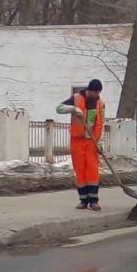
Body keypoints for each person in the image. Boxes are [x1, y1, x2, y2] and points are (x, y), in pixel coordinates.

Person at [57, 79, 105, 211]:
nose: (96, 95)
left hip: (92, 141)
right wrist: (73, 108)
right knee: (80, 171)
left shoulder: (100, 104)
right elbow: (59, 108)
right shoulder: (76, 98)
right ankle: (83, 200)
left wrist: (99, 143)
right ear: (89, 90)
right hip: (77, 140)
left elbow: (101, 123)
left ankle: (94, 201)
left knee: (92, 171)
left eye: (98, 92)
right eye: (95, 92)